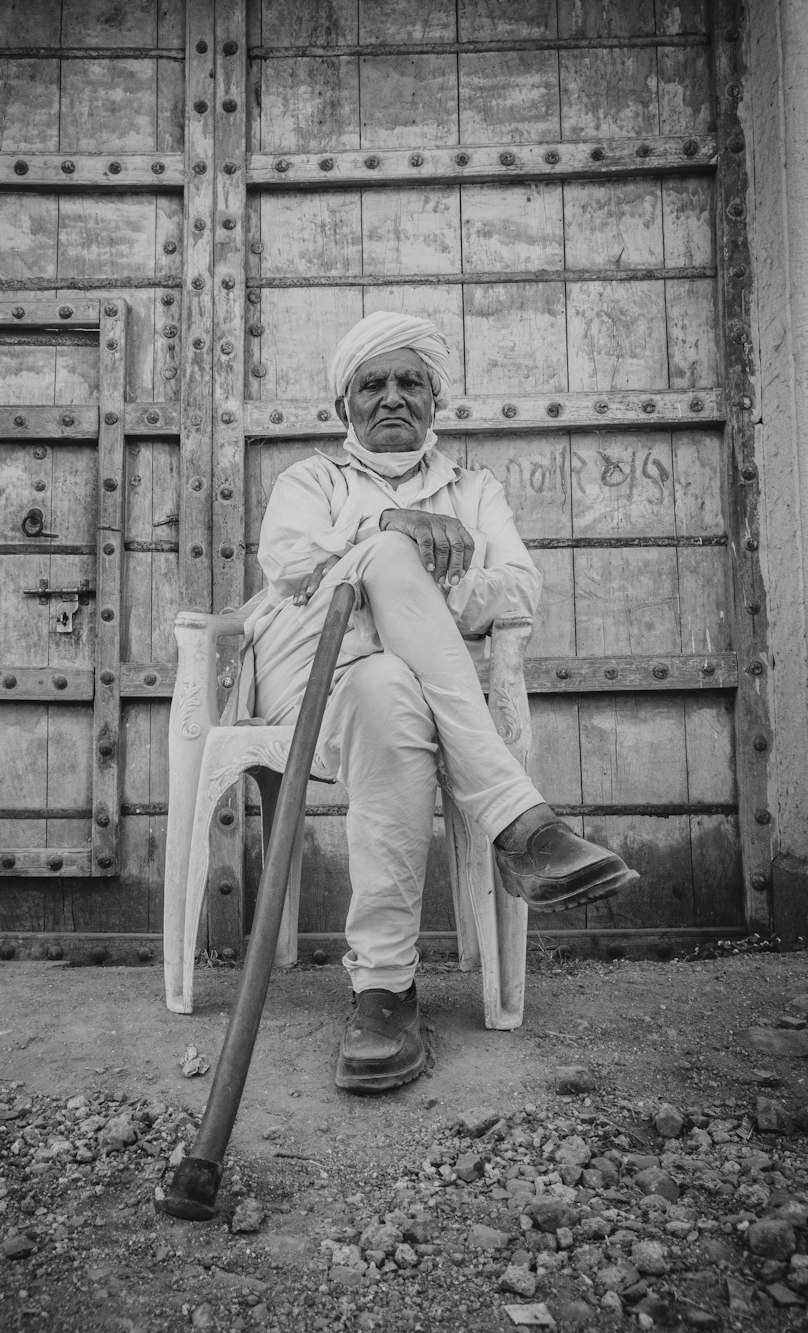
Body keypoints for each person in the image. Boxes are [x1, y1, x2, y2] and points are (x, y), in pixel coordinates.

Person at [243, 311, 638, 1093]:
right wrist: (391, 533)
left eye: (411, 382)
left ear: (435, 402)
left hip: (405, 697)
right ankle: (521, 821)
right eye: (373, 384)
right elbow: (290, 565)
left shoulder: (474, 489)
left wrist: (423, 587)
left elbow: (519, 589)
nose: (393, 396)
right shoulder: (309, 481)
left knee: (392, 685)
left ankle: (383, 988)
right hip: (311, 688)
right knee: (387, 559)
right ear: (343, 407)